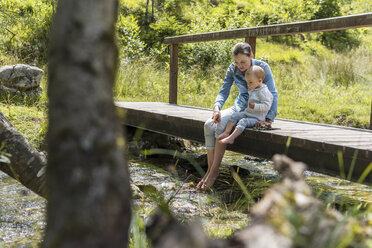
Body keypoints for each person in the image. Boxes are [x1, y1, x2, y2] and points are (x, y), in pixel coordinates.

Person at [196, 42, 278, 190]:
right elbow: (224, 91)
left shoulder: (262, 68)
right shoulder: (233, 69)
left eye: (243, 62)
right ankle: (209, 169)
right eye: (236, 62)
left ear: (251, 56)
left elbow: (272, 93)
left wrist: (269, 119)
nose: (240, 65)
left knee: (220, 125)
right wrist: (216, 108)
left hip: (255, 112)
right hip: (239, 107)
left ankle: (214, 172)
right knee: (208, 124)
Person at [218, 65, 273, 144]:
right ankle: (226, 132)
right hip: (248, 113)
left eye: (250, 82)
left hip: (257, 118)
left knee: (243, 121)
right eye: (247, 82)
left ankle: (231, 138)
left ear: (260, 81)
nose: (248, 84)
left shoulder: (264, 92)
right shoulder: (254, 88)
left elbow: (267, 106)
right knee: (235, 115)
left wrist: (255, 106)